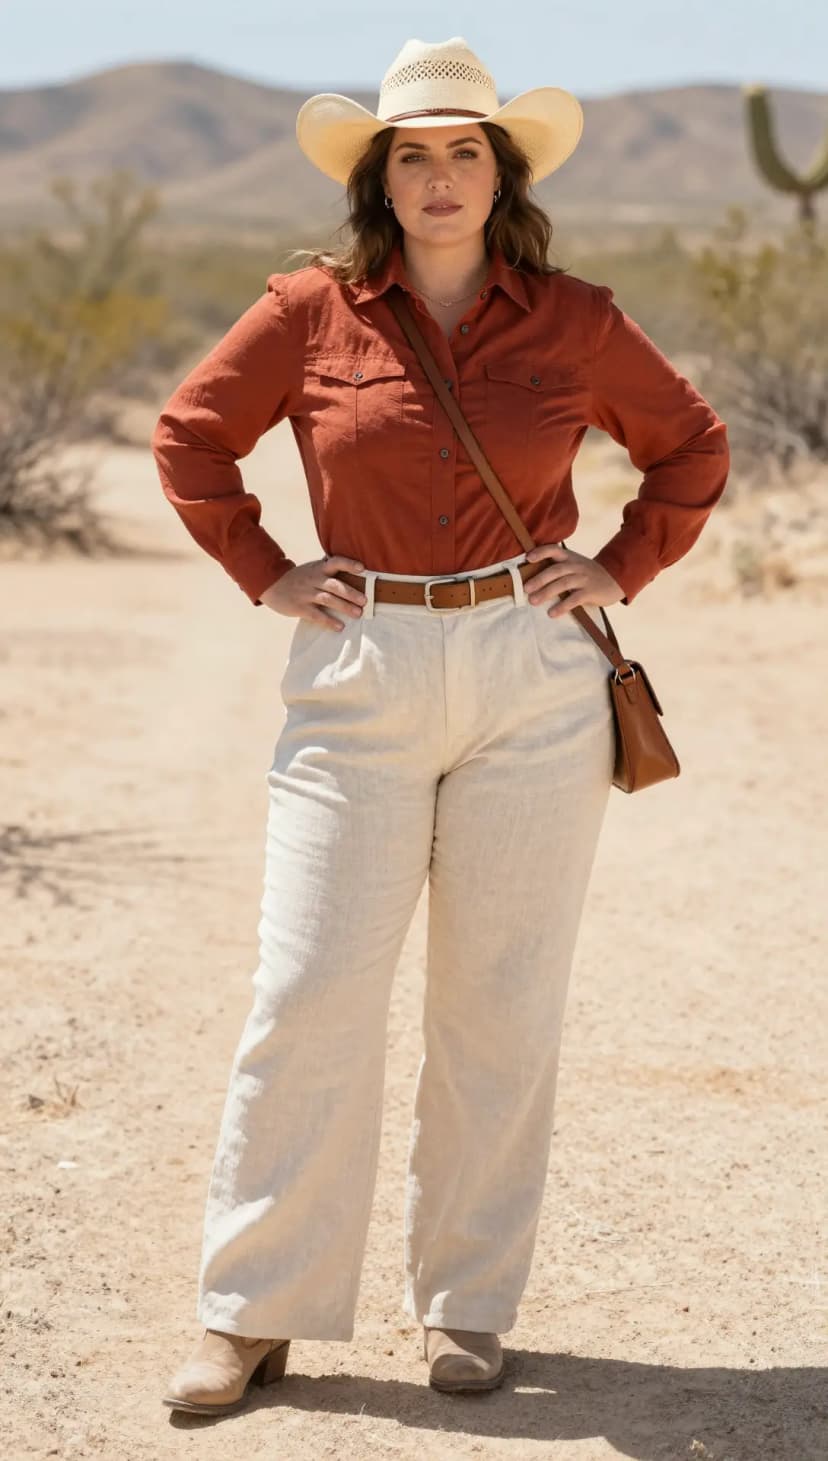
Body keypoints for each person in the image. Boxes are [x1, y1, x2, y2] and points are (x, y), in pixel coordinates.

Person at [152, 35, 729, 1416]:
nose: (440, 176)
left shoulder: (576, 319)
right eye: (412, 154)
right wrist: (267, 571)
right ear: (380, 180)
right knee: (308, 991)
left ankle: (468, 1303)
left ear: (502, 174)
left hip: (532, 673)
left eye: (466, 150)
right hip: (361, 668)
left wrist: (619, 565)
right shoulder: (309, 310)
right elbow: (190, 436)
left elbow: (692, 447)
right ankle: (251, 1311)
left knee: (500, 1003)